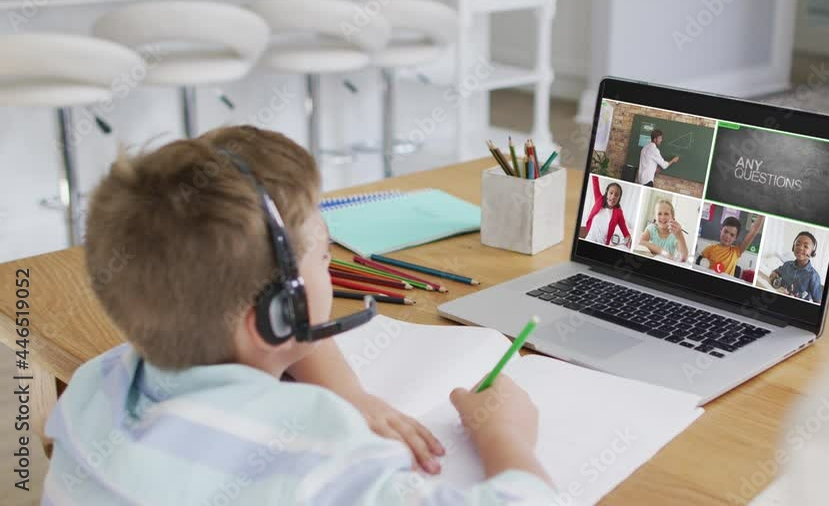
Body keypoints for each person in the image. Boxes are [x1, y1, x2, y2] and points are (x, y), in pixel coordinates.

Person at [42, 126, 554, 504]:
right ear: (277, 314)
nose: (330, 267)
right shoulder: (314, 447)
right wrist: (505, 434)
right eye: (326, 257)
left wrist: (350, 391)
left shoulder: (97, 386)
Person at [769, 231, 824, 302]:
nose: (800, 248)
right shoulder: (787, 265)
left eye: (806, 246)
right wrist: (774, 277)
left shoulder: (814, 276)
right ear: (793, 247)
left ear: (812, 253)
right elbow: (775, 272)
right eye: (797, 244)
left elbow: (817, 301)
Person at [580, 174, 631, 247]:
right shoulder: (599, 200)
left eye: (616, 195)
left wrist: (628, 239)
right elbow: (595, 181)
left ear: (619, 198)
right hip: (589, 239)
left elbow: (625, 231)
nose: (613, 197)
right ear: (607, 193)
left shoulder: (619, 213)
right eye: (611, 193)